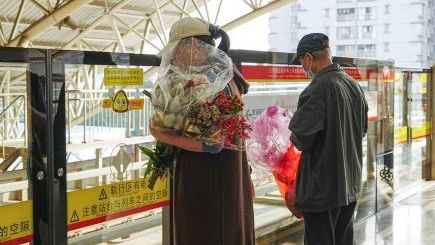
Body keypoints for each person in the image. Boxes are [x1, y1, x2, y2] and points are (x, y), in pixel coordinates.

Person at [149, 17, 255, 245]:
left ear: (195, 46)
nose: (175, 57)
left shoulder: (216, 84)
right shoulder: (227, 77)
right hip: (226, 182)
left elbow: (213, 143)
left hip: (211, 186)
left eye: (178, 49)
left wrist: (162, 135)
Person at [288, 33, 368, 245]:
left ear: (308, 57)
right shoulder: (353, 84)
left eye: (301, 62)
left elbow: (301, 139)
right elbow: (361, 129)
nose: (303, 67)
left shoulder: (317, 88)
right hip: (349, 186)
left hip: (322, 190)